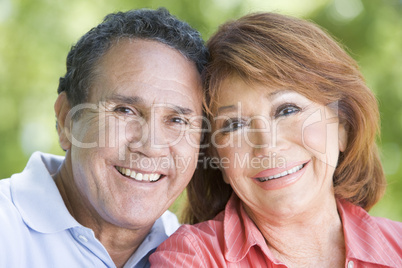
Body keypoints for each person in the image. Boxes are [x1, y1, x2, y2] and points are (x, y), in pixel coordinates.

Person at [150, 12, 402, 267]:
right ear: (218, 160)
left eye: (287, 110)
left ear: (342, 127)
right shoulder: (190, 257)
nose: (267, 145)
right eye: (235, 125)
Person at [0, 8, 207, 268]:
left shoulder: (195, 253)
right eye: (125, 110)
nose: (151, 147)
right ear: (66, 120)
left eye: (177, 120)